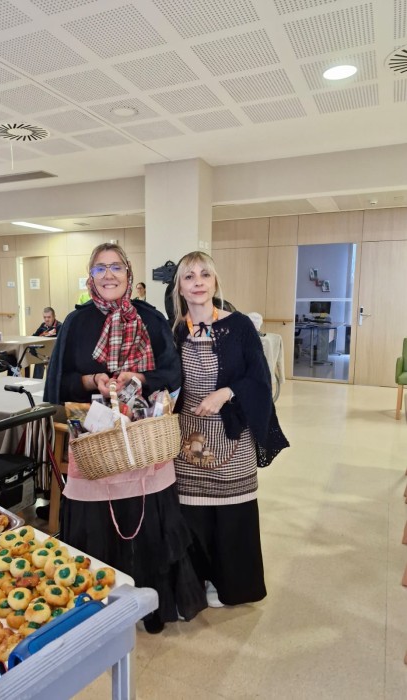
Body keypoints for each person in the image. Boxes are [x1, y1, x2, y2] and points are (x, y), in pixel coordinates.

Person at [45, 243, 207, 633]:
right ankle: (99, 609)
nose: (109, 275)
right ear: (90, 277)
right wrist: (91, 380)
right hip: (96, 441)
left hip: (142, 438)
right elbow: (57, 384)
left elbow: (173, 374)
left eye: (116, 267)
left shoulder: (150, 318)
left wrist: (139, 377)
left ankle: (150, 604)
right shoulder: (76, 322)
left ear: (129, 273)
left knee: (146, 518)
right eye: (100, 268)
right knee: (97, 521)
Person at [171, 251, 289, 609]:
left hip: (231, 434)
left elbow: (260, 379)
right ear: (180, 288)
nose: (198, 282)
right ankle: (200, 579)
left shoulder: (238, 327)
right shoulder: (175, 330)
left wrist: (226, 392)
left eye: (204, 275)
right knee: (193, 513)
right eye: (189, 276)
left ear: (215, 282)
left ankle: (233, 586)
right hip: (188, 437)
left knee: (232, 515)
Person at [32, 307, 61, 380]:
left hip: (54, 353)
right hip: (43, 353)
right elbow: (34, 336)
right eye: (44, 317)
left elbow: (61, 343)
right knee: (38, 360)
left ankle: (50, 382)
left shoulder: (59, 326)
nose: (46, 319)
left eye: (49, 317)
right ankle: (36, 381)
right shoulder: (43, 326)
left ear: (54, 317)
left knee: (49, 362)